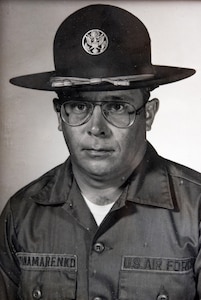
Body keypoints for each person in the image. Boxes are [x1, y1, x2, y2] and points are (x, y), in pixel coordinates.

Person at [0, 3, 200, 299]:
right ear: (59, 116)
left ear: (148, 114)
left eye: (116, 106)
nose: (96, 128)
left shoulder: (196, 212)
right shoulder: (21, 215)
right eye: (79, 106)